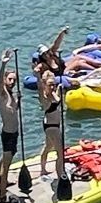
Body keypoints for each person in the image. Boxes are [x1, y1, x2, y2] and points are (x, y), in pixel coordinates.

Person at [34, 48, 70, 188]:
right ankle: (60, 174)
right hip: (51, 127)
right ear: (45, 85)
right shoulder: (45, 97)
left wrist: (60, 92)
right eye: (50, 84)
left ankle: (43, 169)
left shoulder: (55, 92)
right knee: (60, 153)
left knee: (48, 147)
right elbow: (39, 86)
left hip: (55, 125)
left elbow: (59, 103)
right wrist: (38, 76)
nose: (52, 86)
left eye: (53, 83)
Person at [0, 53, 22, 203]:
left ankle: (2, 183)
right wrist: (3, 65)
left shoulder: (11, 96)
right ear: (5, 79)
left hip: (13, 133)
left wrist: (18, 101)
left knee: (6, 159)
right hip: (8, 135)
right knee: (6, 166)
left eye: (14, 80)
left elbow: (13, 111)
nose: (12, 82)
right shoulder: (2, 93)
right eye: (10, 79)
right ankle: (2, 196)